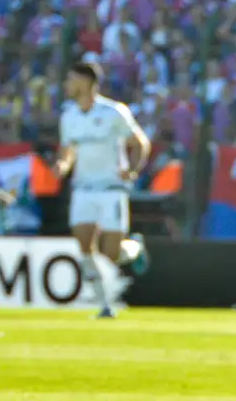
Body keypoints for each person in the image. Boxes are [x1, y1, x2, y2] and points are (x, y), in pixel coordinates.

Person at [53, 61, 152, 318]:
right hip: (83, 189)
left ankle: (134, 249)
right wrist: (63, 165)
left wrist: (132, 170)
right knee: (85, 249)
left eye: (71, 79)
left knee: (110, 255)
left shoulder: (113, 112)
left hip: (111, 189)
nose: (67, 85)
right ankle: (105, 304)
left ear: (85, 83)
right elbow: (68, 150)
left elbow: (140, 143)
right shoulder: (69, 116)